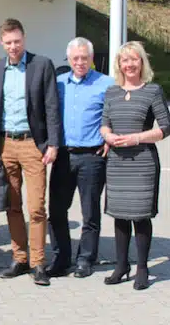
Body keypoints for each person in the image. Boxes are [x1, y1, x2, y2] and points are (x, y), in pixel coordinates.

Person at [0, 18, 61, 287]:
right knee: (13, 206)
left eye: (17, 41)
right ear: (1, 43)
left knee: (37, 207)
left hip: (33, 145)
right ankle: (19, 258)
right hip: (6, 145)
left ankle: (38, 262)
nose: (13, 46)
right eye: (8, 42)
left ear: (24, 39)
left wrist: (53, 143)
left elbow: (52, 106)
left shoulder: (41, 65)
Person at [100, 41, 170, 291]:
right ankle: (121, 266)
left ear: (142, 62)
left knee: (140, 216)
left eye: (134, 59)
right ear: (119, 65)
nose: (129, 64)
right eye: (125, 60)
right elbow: (104, 122)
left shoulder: (152, 91)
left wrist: (137, 137)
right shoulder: (112, 92)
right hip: (117, 162)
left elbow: (166, 127)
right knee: (120, 216)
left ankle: (142, 267)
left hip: (142, 162)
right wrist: (107, 136)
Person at [47, 38, 115, 279]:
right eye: (75, 58)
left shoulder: (107, 83)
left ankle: (86, 259)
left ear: (91, 58)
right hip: (63, 156)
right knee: (56, 211)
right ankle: (61, 257)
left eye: (84, 58)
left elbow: (116, 114)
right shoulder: (58, 83)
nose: (80, 62)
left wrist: (110, 138)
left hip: (92, 157)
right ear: (69, 59)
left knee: (90, 212)